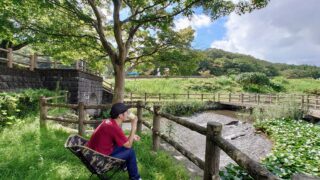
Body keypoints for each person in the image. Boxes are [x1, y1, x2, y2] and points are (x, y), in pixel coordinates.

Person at [86, 103, 141, 180]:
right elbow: (128, 145)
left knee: (125, 144)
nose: (128, 113)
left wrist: (130, 136)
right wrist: (134, 127)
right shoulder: (114, 127)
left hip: (94, 155)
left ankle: (124, 165)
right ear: (120, 116)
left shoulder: (108, 122)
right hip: (101, 160)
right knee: (130, 151)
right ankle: (136, 178)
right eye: (126, 112)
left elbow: (115, 137)